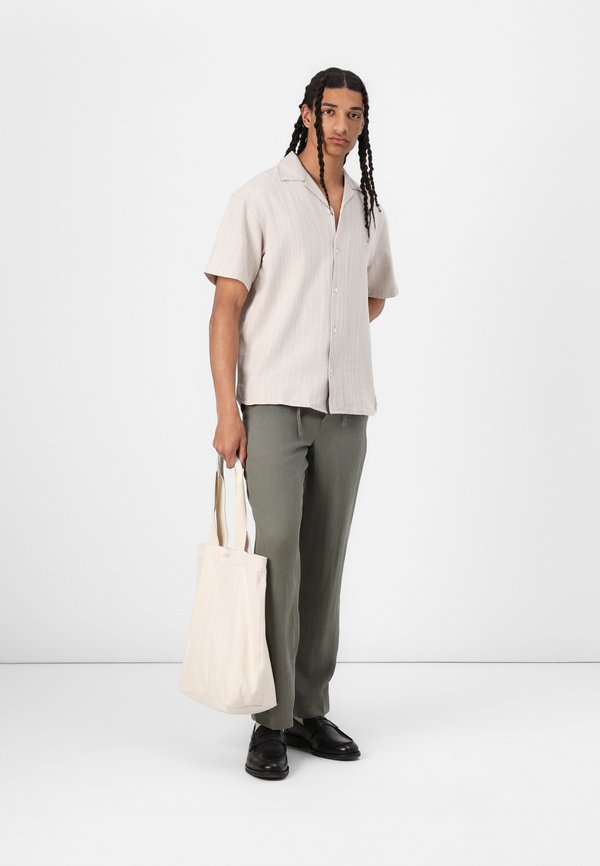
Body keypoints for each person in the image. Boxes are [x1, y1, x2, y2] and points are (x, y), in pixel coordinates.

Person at [203, 67, 399, 780]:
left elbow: (372, 297)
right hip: (273, 404)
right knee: (279, 552)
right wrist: (228, 409)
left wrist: (330, 337)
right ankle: (270, 719)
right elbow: (226, 307)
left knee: (325, 557)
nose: (343, 125)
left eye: (356, 114)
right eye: (331, 111)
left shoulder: (367, 208)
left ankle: (311, 708)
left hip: (347, 408)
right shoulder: (260, 197)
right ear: (307, 114)